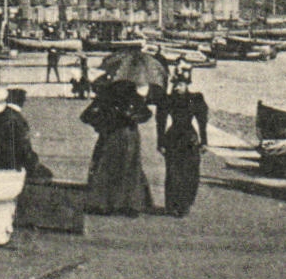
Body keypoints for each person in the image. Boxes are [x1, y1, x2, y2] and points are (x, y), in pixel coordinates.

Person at [80, 79, 153, 215]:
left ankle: (107, 203)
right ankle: (125, 204)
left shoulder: (114, 94)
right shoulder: (114, 95)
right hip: (121, 136)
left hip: (121, 136)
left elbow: (145, 113)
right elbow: (87, 116)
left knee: (111, 167)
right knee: (126, 168)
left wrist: (130, 117)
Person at [157, 66, 208, 217]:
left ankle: (185, 204)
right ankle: (172, 204)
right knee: (173, 172)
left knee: (190, 173)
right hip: (172, 138)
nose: (177, 88)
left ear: (187, 85)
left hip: (189, 139)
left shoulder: (196, 99)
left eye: (180, 84)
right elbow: (160, 121)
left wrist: (204, 141)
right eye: (175, 84)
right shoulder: (167, 100)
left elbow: (202, 121)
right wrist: (160, 143)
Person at [0, 88, 48, 180]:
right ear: (21, 101)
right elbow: (24, 149)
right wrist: (35, 166)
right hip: (14, 170)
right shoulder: (19, 121)